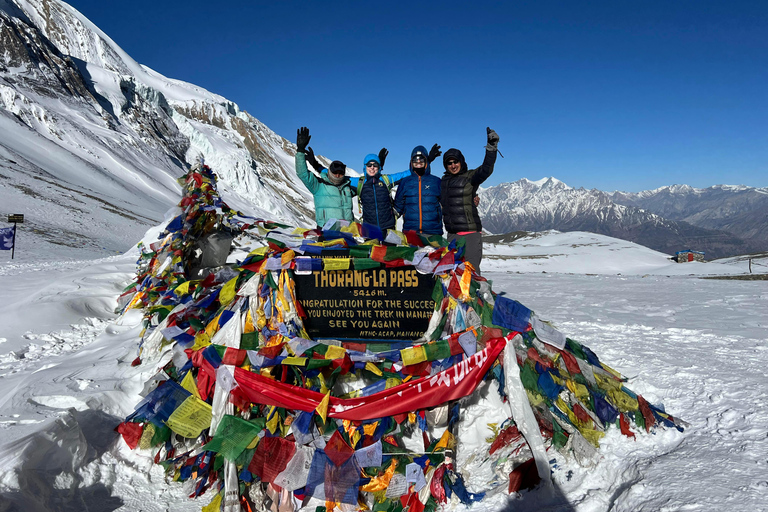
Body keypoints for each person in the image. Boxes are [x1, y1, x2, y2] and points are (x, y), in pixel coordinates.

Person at [440, 127, 500, 273]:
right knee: (453, 274)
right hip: (452, 235)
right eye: (449, 163)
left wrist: (491, 148)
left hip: (470, 234)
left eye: (456, 162)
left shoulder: (470, 177)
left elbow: (486, 169)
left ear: (461, 162)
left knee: (471, 273)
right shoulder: (443, 182)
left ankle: (476, 296)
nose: (453, 165)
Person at [294, 127, 354, 228]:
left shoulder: (347, 187)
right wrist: (300, 150)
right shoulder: (319, 185)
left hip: (347, 231)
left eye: (340, 173)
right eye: (335, 172)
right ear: (330, 172)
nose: (337, 175)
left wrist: (379, 168)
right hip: (326, 230)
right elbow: (302, 173)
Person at [347, 151, 411, 230]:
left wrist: (426, 161)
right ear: (365, 167)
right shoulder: (359, 182)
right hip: (369, 229)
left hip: (388, 227)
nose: (372, 167)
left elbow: (405, 174)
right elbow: (336, 176)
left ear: (379, 167)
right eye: (369, 165)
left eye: (375, 165)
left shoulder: (386, 180)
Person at [393, 144, 443, 235]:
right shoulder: (405, 182)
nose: (418, 161)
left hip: (433, 233)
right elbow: (397, 208)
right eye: (415, 159)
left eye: (421, 159)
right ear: (411, 162)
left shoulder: (436, 182)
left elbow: (447, 204)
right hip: (411, 233)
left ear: (426, 161)